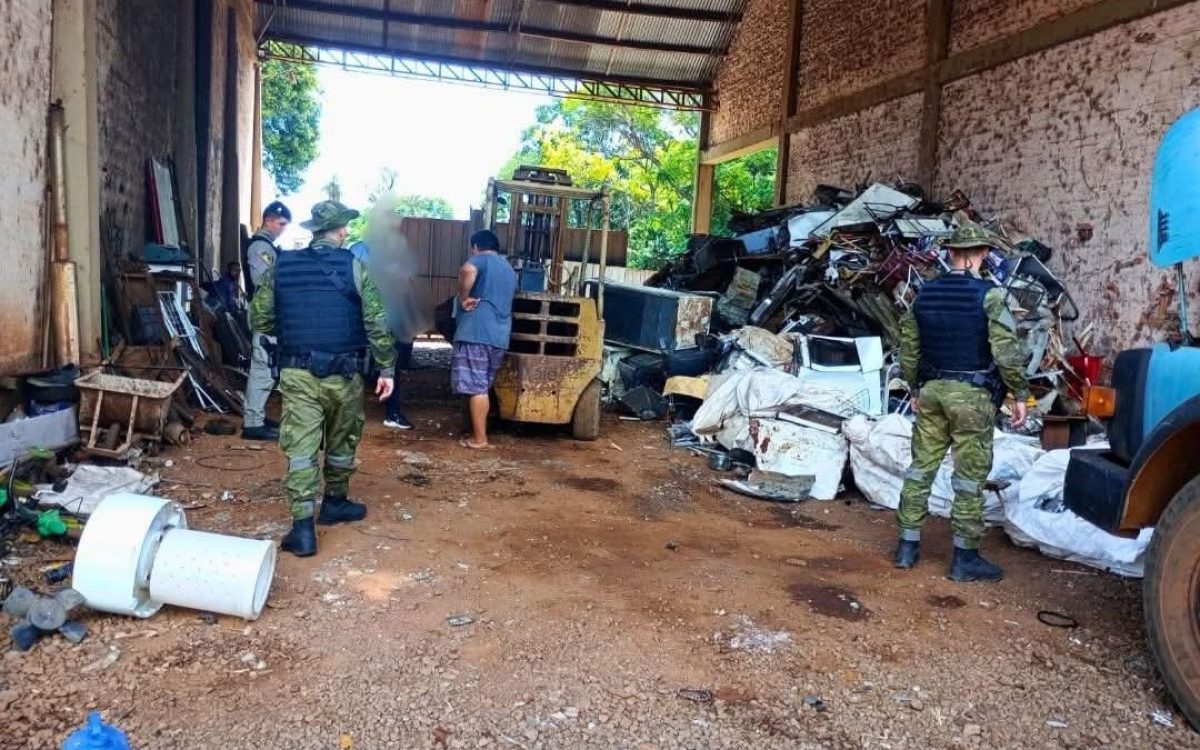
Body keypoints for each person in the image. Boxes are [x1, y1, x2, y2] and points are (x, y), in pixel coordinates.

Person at [250, 201, 396, 557]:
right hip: (344, 374)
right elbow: (377, 322)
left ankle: (302, 528)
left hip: (298, 373)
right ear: (340, 231)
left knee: (301, 448)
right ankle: (335, 502)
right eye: (345, 228)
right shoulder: (354, 266)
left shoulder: (282, 265)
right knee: (342, 440)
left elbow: (260, 319)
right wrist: (387, 368)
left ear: (315, 229)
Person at [894, 221, 1029, 582]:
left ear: (950, 253)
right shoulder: (992, 295)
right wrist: (1020, 394)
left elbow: (909, 349)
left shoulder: (925, 293)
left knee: (921, 468)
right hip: (972, 397)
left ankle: (907, 547)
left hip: (933, 391)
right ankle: (964, 558)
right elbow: (1005, 351)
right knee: (969, 478)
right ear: (983, 254)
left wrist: (915, 389)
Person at [453, 229, 517, 449]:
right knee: (483, 386)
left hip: (476, 333)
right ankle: (479, 435)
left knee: (477, 388)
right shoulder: (509, 268)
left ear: (475, 247)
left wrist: (463, 297)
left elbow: (466, 270)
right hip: (499, 337)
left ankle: (480, 439)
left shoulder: (480, 260)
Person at [349, 240, 415, 431]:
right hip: (382, 320)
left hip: (357, 321)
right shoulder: (388, 258)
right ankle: (392, 413)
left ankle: (350, 413)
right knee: (390, 363)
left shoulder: (356, 252)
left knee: (354, 365)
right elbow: (406, 286)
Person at [241, 200, 292, 442]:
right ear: (269, 220)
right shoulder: (260, 247)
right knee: (262, 369)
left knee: (268, 369)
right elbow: (264, 282)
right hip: (265, 317)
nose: (283, 228)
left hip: (269, 317)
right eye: (281, 223)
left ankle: (256, 418)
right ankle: (252, 424)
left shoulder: (268, 247)